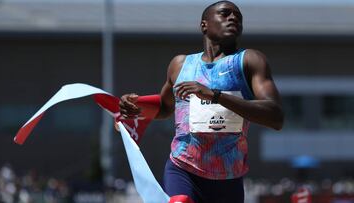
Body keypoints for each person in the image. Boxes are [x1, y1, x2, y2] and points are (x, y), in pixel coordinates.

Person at [119, 1, 284, 202]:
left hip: (228, 178)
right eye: (225, 13)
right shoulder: (180, 65)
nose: (233, 18)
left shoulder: (248, 61)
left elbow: (276, 116)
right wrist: (138, 107)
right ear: (204, 25)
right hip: (183, 169)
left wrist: (215, 96)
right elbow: (164, 108)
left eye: (238, 17)